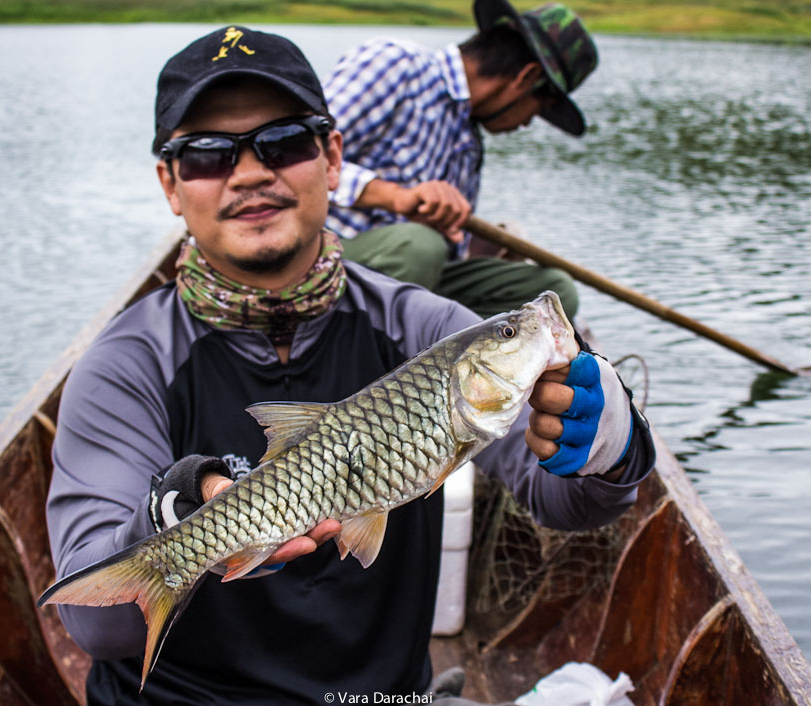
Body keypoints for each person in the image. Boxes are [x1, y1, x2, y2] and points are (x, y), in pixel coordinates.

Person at [44, 25, 654, 706]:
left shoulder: (425, 328)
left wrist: (612, 445)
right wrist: (173, 511)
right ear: (170, 184)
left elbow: (569, 504)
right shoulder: (125, 366)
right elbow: (92, 627)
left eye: (283, 143)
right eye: (209, 154)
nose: (250, 172)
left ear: (332, 158)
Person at [325, 0, 598, 319]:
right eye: (537, 110)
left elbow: (448, 254)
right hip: (322, 257)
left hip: (405, 275)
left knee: (552, 296)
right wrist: (397, 198)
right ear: (526, 77)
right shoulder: (397, 64)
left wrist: (457, 236)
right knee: (420, 245)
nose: (525, 124)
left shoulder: (469, 145)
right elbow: (290, 157)